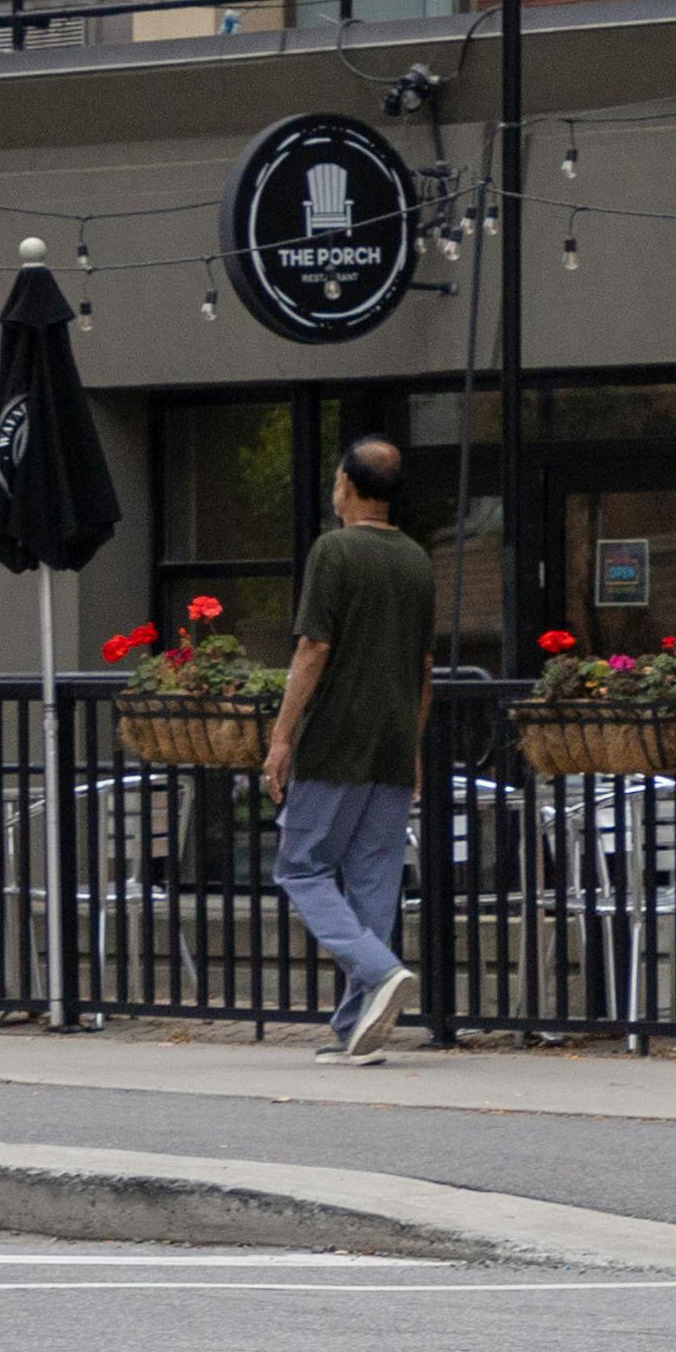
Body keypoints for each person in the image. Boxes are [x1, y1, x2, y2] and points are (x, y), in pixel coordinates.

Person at [262, 435, 432, 1061]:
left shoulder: (333, 551)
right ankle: (356, 1027)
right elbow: (424, 665)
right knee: (374, 882)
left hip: (337, 737)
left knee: (300, 865)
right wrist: (412, 742)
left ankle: (379, 970)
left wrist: (282, 737)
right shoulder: (416, 558)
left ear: (346, 486)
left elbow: (313, 648)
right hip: (392, 740)